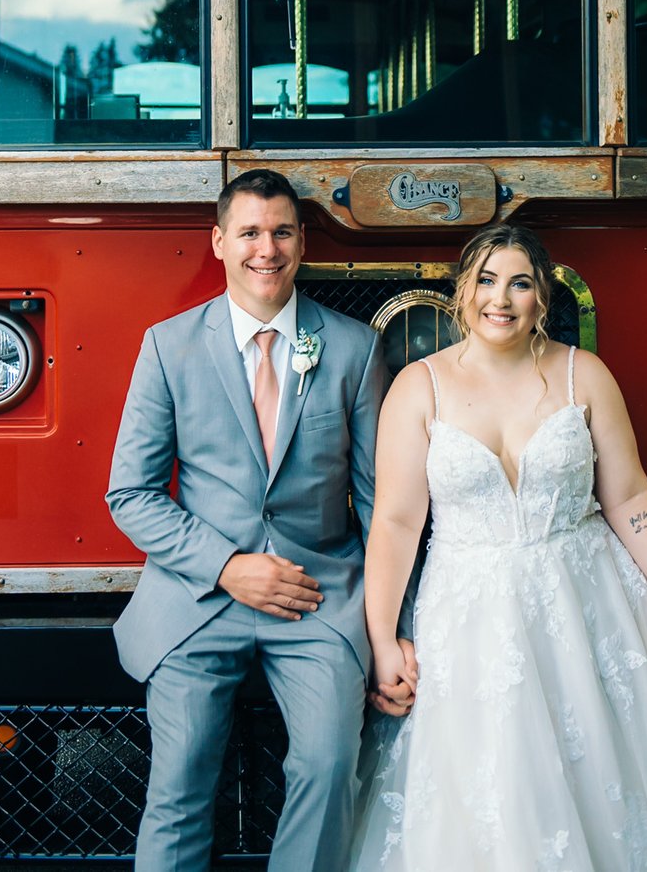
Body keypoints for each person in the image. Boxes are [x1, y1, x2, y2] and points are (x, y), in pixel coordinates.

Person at [349, 223, 647, 870]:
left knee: (613, 779)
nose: (502, 299)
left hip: (587, 601)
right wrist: (382, 642)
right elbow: (398, 523)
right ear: (462, 293)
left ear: (543, 297)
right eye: (487, 281)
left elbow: (631, 500)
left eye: (520, 283)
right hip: (470, 613)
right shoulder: (418, 387)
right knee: (496, 786)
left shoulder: (585, 376)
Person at [106, 168, 413, 872]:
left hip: (318, 600)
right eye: (248, 232)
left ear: (302, 242)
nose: (265, 249)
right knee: (180, 778)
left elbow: (380, 504)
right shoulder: (169, 346)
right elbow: (131, 494)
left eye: (280, 232)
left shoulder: (354, 349)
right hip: (198, 601)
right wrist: (227, 566)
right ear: (218, 242)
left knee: (331, 764)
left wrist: (391, 630)